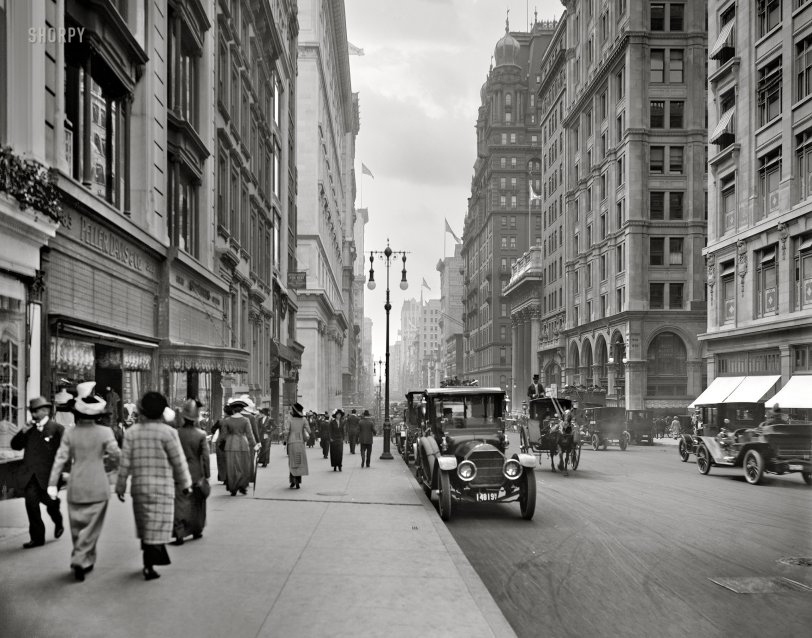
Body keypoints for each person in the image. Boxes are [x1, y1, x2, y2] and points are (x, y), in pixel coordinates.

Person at [115, 391, 192, 581]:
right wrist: (186, 484)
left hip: (140, 487)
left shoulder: (132, 433)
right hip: (163, 489)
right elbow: (178, 461)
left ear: (141, 410)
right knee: (156, 526)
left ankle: (148, 562)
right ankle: (150, 563)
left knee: (145, 525)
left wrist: (120, 485)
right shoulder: (168, 433)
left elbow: (124, 463)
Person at [47, 382, 120, 581]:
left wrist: (52, 484)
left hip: (76, 485)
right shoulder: (105, 433)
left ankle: (83, 557)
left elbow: (60, 459)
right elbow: (116, 456)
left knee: (77, 526)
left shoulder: (70, 433)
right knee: (92, 527)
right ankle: (81, 558)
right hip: (98, 486)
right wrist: (114, 469)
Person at [11, 396, 65, 549]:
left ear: (46, 411)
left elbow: (65, 453)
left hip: (50, 476)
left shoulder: (57, 428)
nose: (34, 414)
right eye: (32, 411)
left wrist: (65, 472)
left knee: (50, 503)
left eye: (37, 411)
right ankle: (37, 538)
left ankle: (58, 520)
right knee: (31, 504)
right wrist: (23, 431)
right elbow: (15, 446)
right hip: (31, 476)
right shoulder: (29, 429)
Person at [172, 399, 210, 545]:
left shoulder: (176, 433)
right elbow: (205, 457)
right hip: (195, 473)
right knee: (197, 502)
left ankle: (179, 532)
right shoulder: (201, 434)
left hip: (178, 472)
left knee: (179, 502)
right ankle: (196, 529)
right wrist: (207, 474)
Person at [221, 398, 259, 495]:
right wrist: (255, 446)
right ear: (242, 410)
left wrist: (221, 444)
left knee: (231, 467)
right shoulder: (246, 420)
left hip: (230, 445)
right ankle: (242, 486)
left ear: (233, 410)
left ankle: (233, 488)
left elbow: (223, 436)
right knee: (243, 466)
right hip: (243, 444)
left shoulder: (227, 420)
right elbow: (250, 435)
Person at [286, 402, 311, 488]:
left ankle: (292, 481)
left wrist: (285, 440)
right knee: (299, 461)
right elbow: (309, 431)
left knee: (292, 462)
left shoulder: (290, 419)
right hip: (300, 442)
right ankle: (298, 482)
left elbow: (287, 431)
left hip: (291, 442)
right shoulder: (304, 419)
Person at [210, 405, 231, 483]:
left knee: (221, 461)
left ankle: (223, 477)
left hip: (221, 443)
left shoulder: (220, 421)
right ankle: (230, 477)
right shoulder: (235, 421)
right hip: (231, 442)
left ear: (225, 412)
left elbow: (212, 430)